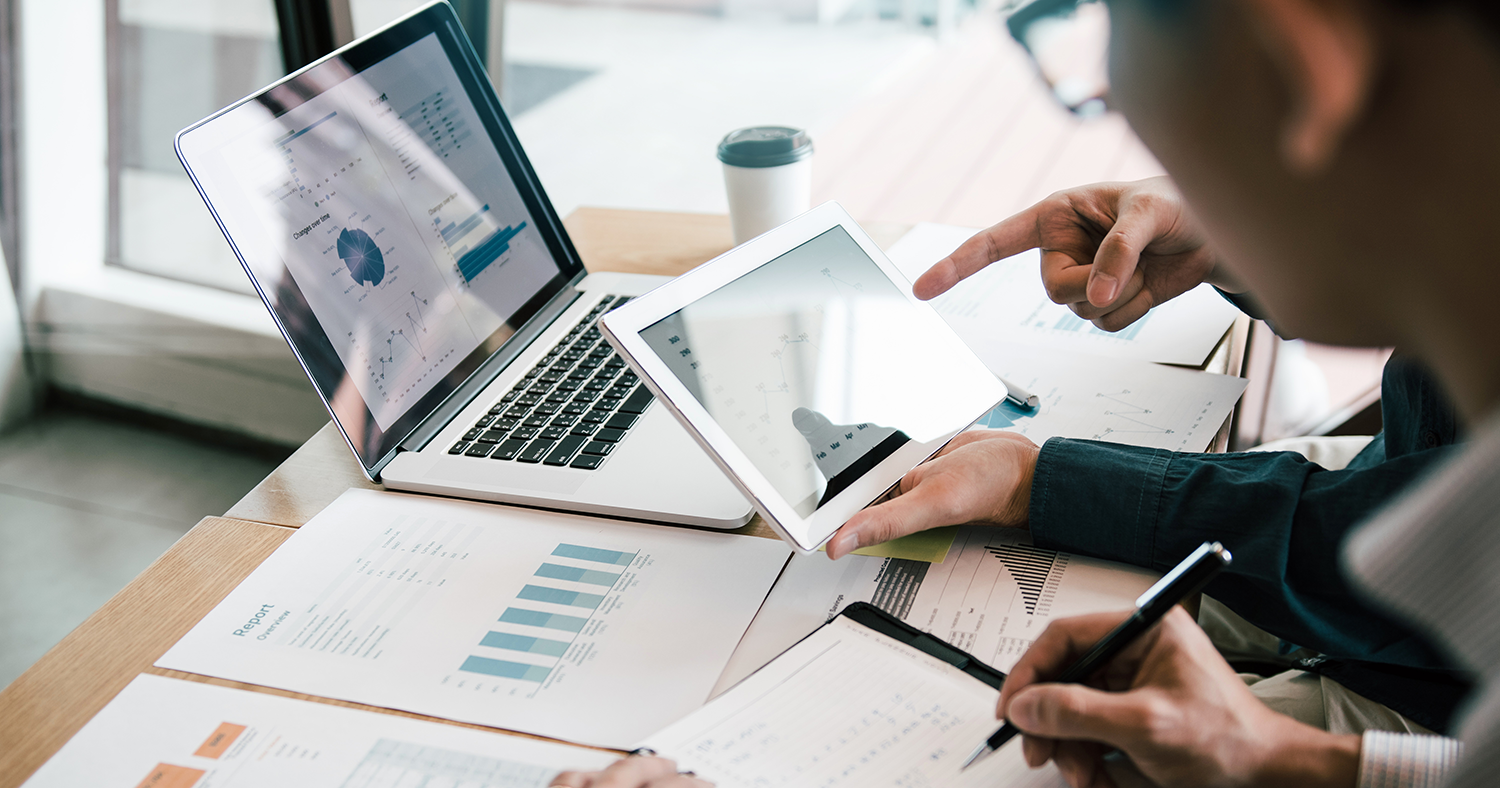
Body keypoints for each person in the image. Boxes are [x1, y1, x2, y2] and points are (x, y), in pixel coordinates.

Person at [555, 0, 1500, 782]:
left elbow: (1397, 553)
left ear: (1301, 64)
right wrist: (1255, 228)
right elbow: (1423, 494)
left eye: (1098, 74)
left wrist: (1040, 483)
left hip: (1408, 689)